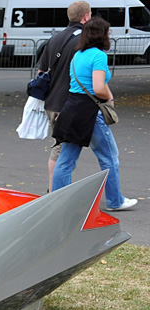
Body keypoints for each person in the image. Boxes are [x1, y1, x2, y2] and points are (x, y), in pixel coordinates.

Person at [51, 16, 137, 211]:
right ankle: (116, 201)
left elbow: (83, 83)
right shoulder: (99, 56)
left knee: (66, 160)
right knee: (109, 156)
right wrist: (110, 98)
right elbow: (98, 88)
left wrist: (106, 93)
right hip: (90, 113)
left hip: (72, 110)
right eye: (108, 31)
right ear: (101, 34)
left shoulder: (78, 55)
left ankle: (56, 202)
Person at [36, 1, 90, 192]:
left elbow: (41, 70)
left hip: (51, 101)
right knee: (61, 151)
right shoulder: (83, 40)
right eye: (89, 14)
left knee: (58, 147)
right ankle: (55, 191)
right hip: (70, 103)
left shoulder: (54, 39)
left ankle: (55, 189)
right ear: (85, 17)